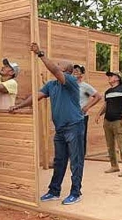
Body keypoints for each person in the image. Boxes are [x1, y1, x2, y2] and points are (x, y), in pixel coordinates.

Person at [9, 43, 85, 205]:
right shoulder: (51, 85)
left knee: (76, 160)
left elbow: (54, 70)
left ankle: (76, 192)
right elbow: (36, 96)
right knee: (59, 161)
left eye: (59, 65)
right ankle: (54, 191)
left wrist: (40, 54)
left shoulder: (70, 81)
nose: (56, 65)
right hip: (61, 128)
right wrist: (18, 106)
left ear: (66, 70)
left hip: (74, 126)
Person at [95, 70, 122, 177]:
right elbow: (106, 105)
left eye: (111, 76)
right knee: (110, 145)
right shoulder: (108, 92)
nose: (109, 77)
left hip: (118, 121)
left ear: (117, 78)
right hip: (108, 121)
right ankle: (114, 166)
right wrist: (98, 114)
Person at [72, 64, 102, 156]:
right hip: (70, 116)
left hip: (81, 116)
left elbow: (98, 96)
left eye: (78, 70)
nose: (75, 71)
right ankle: (72, 155)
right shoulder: (70, 85)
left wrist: (87, 107)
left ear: (82, 74)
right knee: (71, 137)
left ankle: (81, 156)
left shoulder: (85, 86)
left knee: (81, 137)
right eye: (74, 70)